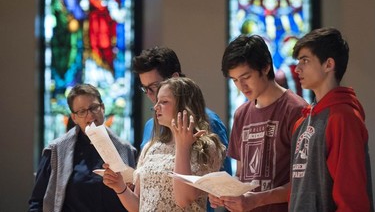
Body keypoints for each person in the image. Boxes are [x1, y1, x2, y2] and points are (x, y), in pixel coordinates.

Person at [209, 34, 307, 212]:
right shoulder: (241, 114)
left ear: (266, 67)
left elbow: (304, 182)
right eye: (235, 80)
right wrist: (224, 193)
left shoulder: (296, 110)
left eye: (246, 77)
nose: (241, 86)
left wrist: (257, 200)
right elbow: (241, 175)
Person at [102, 77, 226, 211]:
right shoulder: (152, 147)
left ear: (184, 106)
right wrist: (120, 187)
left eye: (164, 102)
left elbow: (183, 199)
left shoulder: (205, 147)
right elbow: (139, 207)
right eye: (157, 102)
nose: (156, 107)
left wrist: (182, 147)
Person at [289, 27, 374, 211]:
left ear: (328, 65)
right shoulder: (301, 122)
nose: (297, 69)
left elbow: (352, 198)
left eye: (305, 60)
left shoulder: (343, 118)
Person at [28, 83, 137, 212]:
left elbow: (138, 199)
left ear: (103, 108)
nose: (90, 116)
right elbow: (37, 202)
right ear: (74, 117)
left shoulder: (127, 150)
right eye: (82, 111)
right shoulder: (55, 151)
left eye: (94, 108)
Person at [132, 46, 232, 176]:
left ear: (175, 78)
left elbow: (221, 179)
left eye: (155, 86)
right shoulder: (150, 126)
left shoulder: (208, 120)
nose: (150, 94)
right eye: (145, 89)